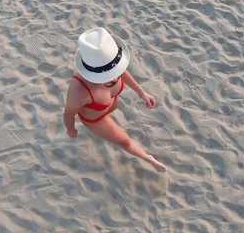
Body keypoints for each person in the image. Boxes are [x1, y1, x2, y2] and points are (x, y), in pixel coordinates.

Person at [63, 27, 167, 172]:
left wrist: (141, 92)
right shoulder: (79, 91)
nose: (115, 74)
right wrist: (71, 130)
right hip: (95, 119)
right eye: (110, 72)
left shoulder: (110, 66)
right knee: (124, 141)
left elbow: (121, 72)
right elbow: (69, 114)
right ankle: (148, 159)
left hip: (108, 104)